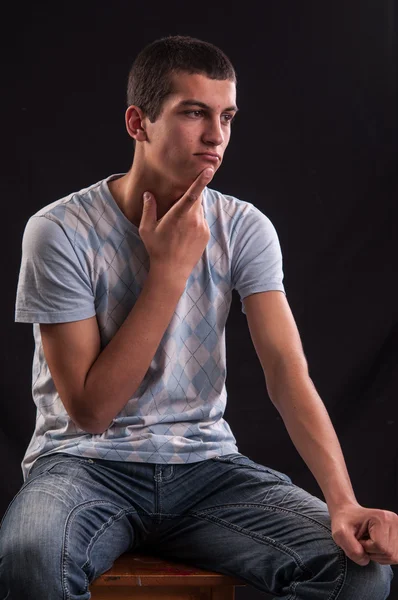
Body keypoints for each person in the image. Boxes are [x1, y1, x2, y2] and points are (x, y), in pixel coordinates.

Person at [0, 35, 396, 600]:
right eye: (194, 113)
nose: (216, 136)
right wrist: (168, 274)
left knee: (359, 574)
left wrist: (344, 502)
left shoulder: (244, 227)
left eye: (227, 117)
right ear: (139, 123)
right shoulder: (59, 231)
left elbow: (288, 375)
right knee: (29, 562)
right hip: (84, 467)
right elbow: (89, 412)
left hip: (207, 470)